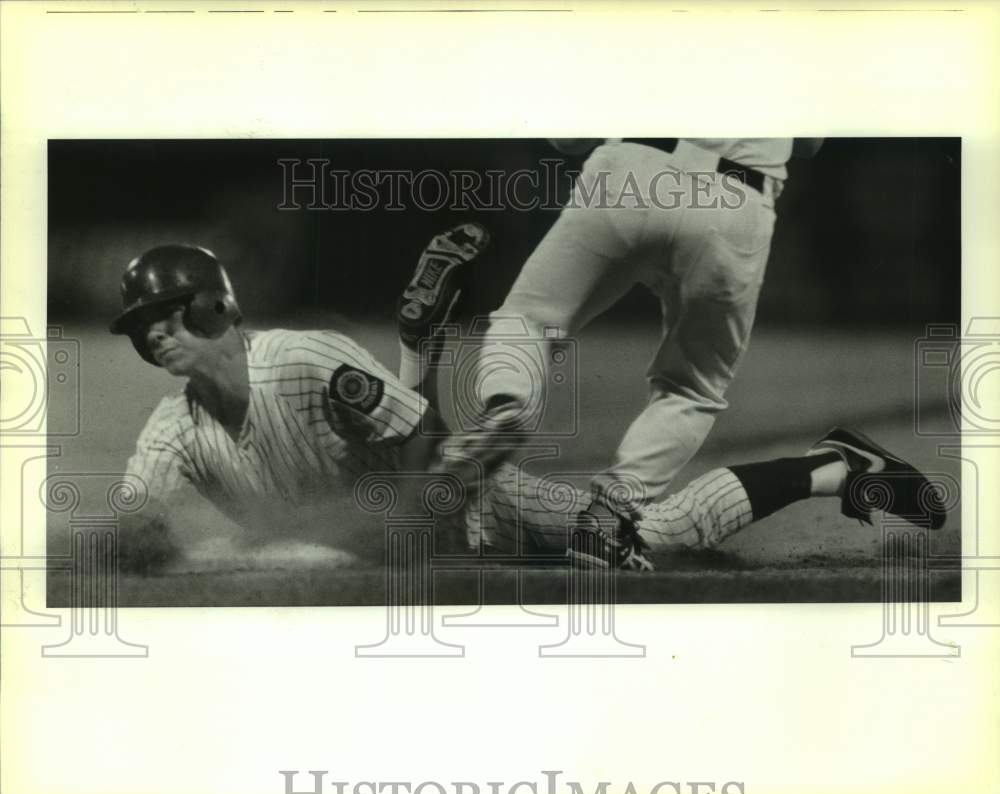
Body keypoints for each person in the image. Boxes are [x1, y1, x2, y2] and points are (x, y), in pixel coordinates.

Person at [109, 229, 944, 576]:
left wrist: (388, 523)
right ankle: (420, 342)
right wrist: (143, 539)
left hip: (469, 503)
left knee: (662, 536)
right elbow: (136, 520)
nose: (152, 336)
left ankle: (835, 467)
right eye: (139, 327)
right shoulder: (170, 430)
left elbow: (421, 441)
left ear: (216, 308)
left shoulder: (299, 359)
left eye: (164, 315)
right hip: (393, 535)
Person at [440, 138, 827, 529]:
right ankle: (611, 513)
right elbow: (811, 144)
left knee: (530, 320)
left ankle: (509, 401)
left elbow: (568, 140)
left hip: (633, 169)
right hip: (738, 197)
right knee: (692, 387)